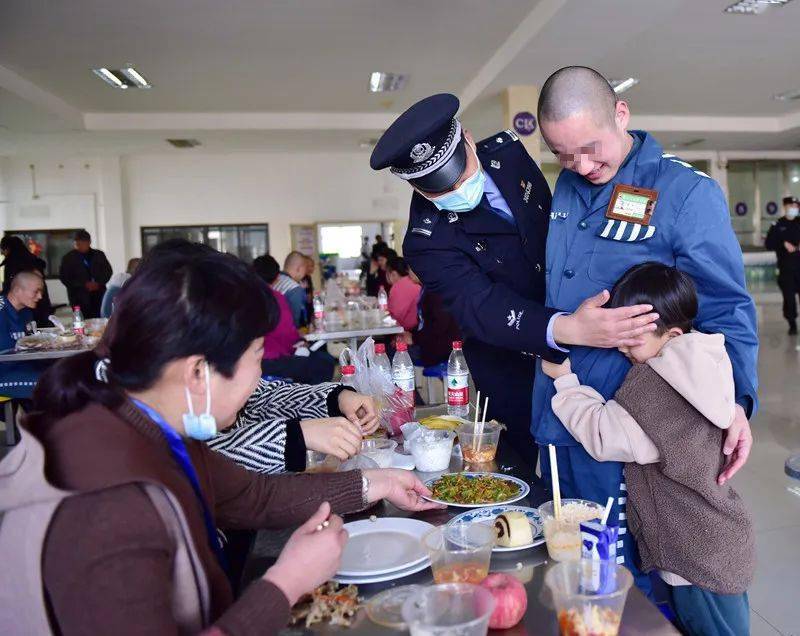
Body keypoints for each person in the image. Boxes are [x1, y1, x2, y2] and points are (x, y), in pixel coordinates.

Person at [3, 247, 441, 634]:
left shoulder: (150, 426)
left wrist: (377, 482)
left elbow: (251, 495)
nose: (260, 379)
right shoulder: (107, 504)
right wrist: (286, 583)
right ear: (197, 372)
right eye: (256, 357)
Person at [533, 66, 758, 592]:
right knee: (583, 577)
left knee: (635, 582)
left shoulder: (683, 192)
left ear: (622, 114)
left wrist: (739, 403)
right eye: (563, 155)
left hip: (632, 431)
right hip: (560, 415)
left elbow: (725, 309)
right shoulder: (567, 188)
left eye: (590, 147)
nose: (581, 165)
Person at [370, 93, 657, 467]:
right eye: (437, 188)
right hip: (509, 359)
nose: (456, 190)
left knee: (601, 449)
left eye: (460, 172)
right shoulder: (426, 242)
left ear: (469, 140)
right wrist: (567, 327)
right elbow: (480, 307)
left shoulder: (507, 155)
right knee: (526, 466)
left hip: (586, 335)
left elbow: (554, 225)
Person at [542, 263, 754, 635]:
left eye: (632, 339)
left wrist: (566, 382)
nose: (621, 347)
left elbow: (604, 434)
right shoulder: (710, 362)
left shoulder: (659, 391)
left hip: (695, 559)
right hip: (721, 542)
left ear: (671, 333)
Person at [252, 254, 336, 384]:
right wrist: (299, 341)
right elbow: (286, 334)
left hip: (249, 359)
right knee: (325, 364)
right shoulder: (276, 298)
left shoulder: (243, 296)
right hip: (270, 360)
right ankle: (306, 400)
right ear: (276, 277)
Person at [0, 271, 48, 398]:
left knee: (63, 372)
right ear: (17, 290)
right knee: (52, 385)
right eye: (36, 292)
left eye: (41, 292)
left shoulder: (26, 312)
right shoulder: (1, 312)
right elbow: (6, 350)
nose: (40, 297)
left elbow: (31, 341)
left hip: (21, 366)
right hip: (4, 372)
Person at [404, 266, 463, 367]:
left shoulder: (435, 292)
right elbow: (426, 321)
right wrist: (411, 333)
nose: (408, 272)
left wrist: (414, 338)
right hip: (433, 342)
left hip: (441, 348)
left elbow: (439, 325)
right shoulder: (427, 289)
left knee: (396, 353)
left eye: (410, 268)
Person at [765, 195, 800, 334]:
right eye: (791, 206)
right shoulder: (777, 225)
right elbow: (768, 244)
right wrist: (782, 243)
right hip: (786, 269)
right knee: (789, 299)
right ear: (785, 207)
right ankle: (792, 324)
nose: (794, 209)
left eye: (796, 207)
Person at [59, 229, 112, 319]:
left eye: (82, 243)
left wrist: (98, 283)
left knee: (100, 318)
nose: (79, 246)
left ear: (89, 242)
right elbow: (65, 277)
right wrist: (84, 285)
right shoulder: (68, 258)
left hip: (98, 294)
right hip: (78, 296)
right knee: (81, 320)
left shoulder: (99, 255)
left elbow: (108, 271)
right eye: (77, 244)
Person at [1, 235, 53, 326]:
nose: (2, 253)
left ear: (8, 249)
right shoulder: (33, 259)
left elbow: (9, 288)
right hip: (41, 307)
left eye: (3, 250)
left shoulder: (12, 263)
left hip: (26, 307)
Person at [272, 251, 308, 327]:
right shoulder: (294, 288)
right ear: (299, 269)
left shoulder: (273, 280)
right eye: (305, 269)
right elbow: (295, 322)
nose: (305, 273)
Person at [385, 256, 422, 330]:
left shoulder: (397, 287)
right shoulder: (416, 284)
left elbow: (394, 315)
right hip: (418, 329)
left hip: (406, 331)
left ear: (393, 274)